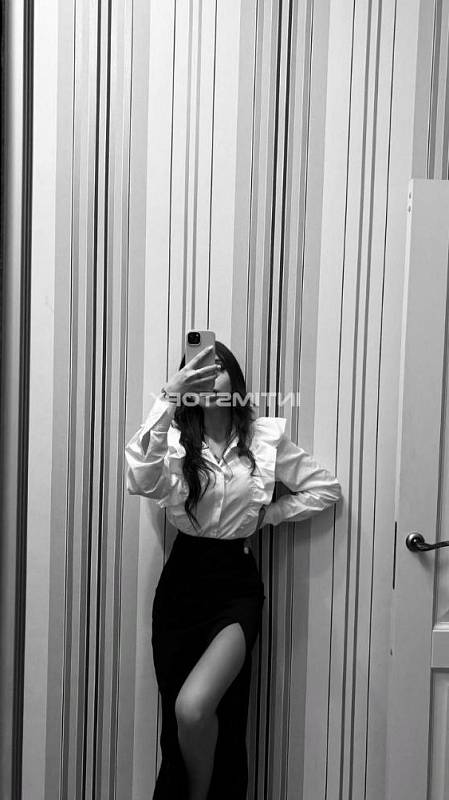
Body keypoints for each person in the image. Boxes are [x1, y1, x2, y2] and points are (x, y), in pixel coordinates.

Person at [125, 340, 342, 800]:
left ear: (235, 380)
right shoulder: (173, 441)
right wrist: (167, 396)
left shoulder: (263, 439)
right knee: (179, 720)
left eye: (218, 366)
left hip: (235, 585)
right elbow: (139, 479)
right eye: (198, 368)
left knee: (194, 707)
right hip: (181, 585)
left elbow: (326, 489)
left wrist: (270, 515)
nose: (210, 375)